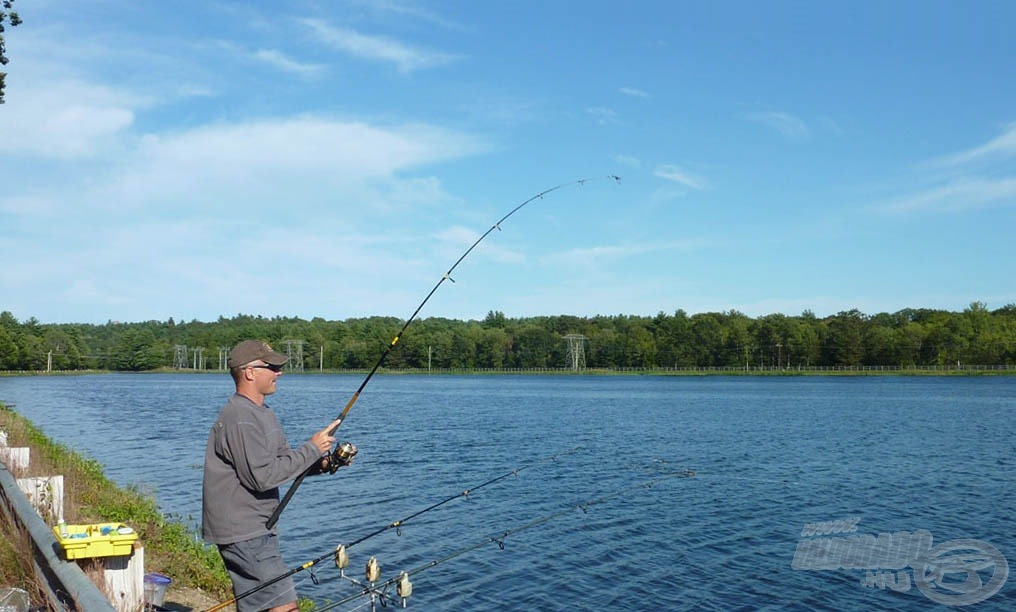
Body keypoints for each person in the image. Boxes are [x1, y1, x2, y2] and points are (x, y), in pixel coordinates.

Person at [202, 340, 354, 612]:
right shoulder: (240, 418)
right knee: (285, 606)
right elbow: (262, 478)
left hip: (256, 529)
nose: (278, 372)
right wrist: (311, 448)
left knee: (258, 607)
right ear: (249, 372)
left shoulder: (261, 414)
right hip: (244, 532)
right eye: (271, 367)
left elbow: (284, 463)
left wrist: (326, 462)